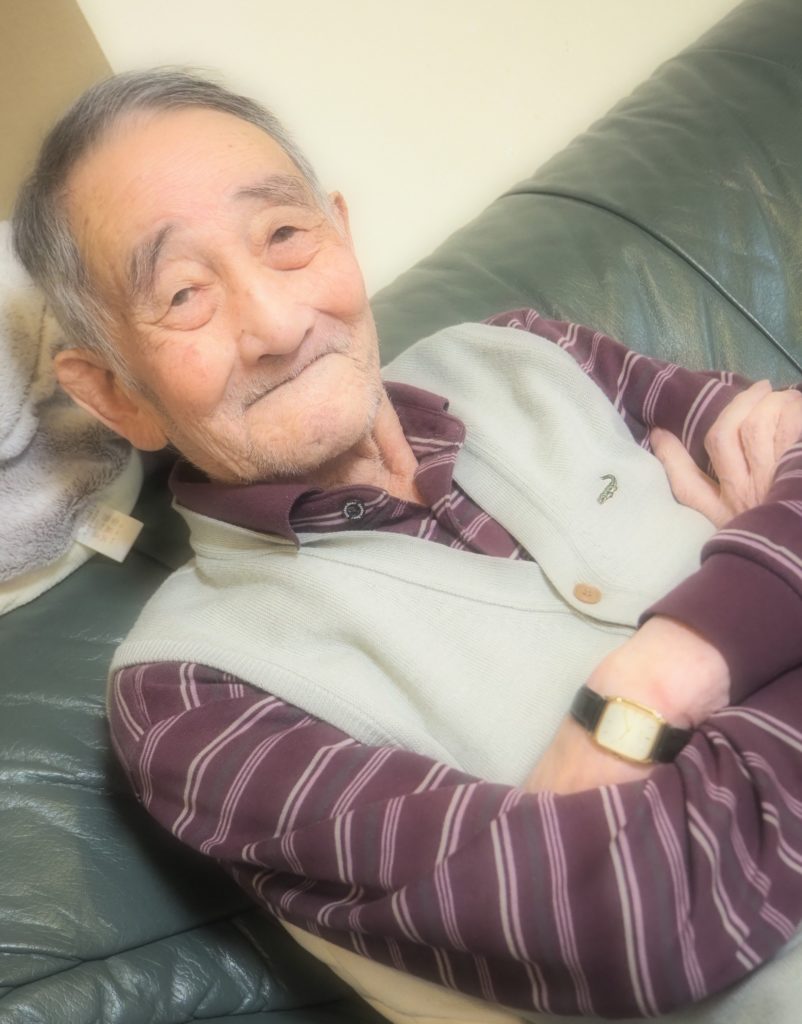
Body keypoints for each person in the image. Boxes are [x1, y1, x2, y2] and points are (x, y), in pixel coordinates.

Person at [12, 70, 802, 1022]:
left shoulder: (527, 353)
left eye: (284, 236)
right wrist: (764, 578)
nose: (277, 323)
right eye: (183, 294)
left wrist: (666, 673)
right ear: (115, 395)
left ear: (341, 235)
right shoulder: (189, 698)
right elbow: (640, 913)